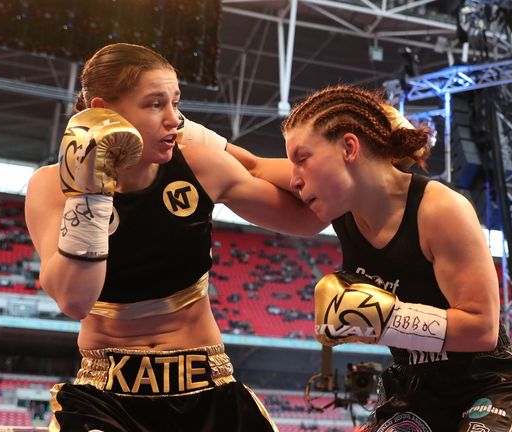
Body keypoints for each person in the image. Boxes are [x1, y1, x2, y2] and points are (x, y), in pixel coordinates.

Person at [25, 43, 325, 432]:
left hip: (209, 388)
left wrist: (366, 170)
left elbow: (307, 216)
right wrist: (91, 190)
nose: (174, 119)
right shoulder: (51, 186)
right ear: (103, 111)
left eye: (175, 102)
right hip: (106, 399)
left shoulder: (200, 163)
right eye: (155, 105)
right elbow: (75, 299)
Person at [281, 85, 512, 432]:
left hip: (486, 386)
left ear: (349, 147)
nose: (293, 180)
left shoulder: (441, 209)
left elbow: (482, 330)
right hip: (414, 391)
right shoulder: (336, 199)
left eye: (301, 159)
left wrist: (386, 320)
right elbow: (246, 175)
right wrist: (198, 139)